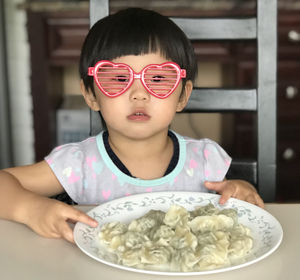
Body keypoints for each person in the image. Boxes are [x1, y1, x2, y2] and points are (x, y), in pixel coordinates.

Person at [0, 8, 263, 243]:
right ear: (91, 94)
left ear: (182, 95)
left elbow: (234, 199)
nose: (139, 93)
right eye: (118, 78)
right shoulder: (78, 164)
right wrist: (30, 209)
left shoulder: (205, 161)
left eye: (158, 77)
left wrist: (242, 190)